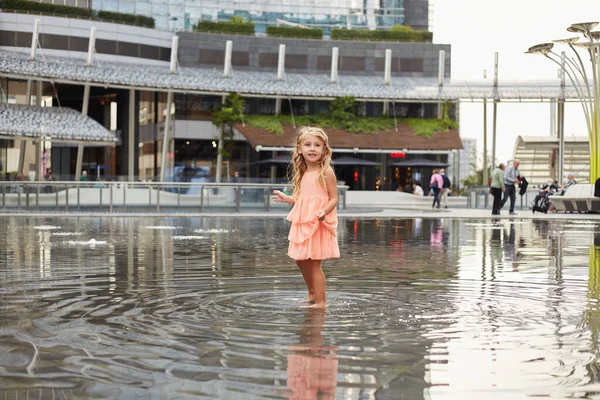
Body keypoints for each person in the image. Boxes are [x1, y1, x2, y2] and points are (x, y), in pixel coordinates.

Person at [272, 127, 340, 309]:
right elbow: (303, 199)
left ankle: (321, 302)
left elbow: (334, 198)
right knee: (300, 260)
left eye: (317, 145)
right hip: (303, 222)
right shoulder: (302, 173)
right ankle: (311, 292)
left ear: (324, 149)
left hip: (317, 222)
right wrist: (288, 199)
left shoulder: (326, 172)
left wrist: (324, 211)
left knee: (314, 263)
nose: (312, 149)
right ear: (299, 149)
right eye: (308, 145)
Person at [287, 309, 338, 399]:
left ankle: (316, 307)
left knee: (308, 343)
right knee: (307, 343)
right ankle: (315, 306)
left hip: (311, 374)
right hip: (311, 375)